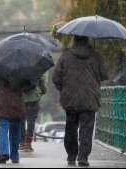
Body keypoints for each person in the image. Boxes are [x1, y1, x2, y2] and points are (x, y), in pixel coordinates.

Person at [52, 35, 108, 167]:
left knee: (71, 127)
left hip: (70, 98)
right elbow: (105, 74)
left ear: (74, 40)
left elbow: (56, 77)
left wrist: (63, 89)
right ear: (88, 40)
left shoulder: (65, 56)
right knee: (86, 128)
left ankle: (71, 155)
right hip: (90, 98)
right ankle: (83, 157)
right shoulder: (95, 56)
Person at [0, 74, 26, 164]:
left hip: (2, 101)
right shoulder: (22, 67)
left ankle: (3, 154)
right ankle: (15, 155)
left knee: (3, 128)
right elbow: (28, 86)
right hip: (17, 102)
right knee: (15, 130)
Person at [19, 72, 48, 152]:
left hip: (22, 96)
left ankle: (22, 142)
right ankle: (28, 143)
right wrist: (43, 91)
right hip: (34, 96)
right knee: (31, 120)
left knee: (21, 120)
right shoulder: (40, 65)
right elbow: (43, 80)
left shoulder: (21, 64)